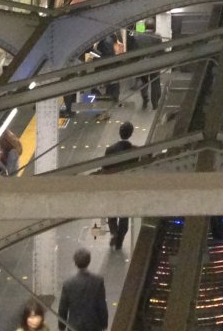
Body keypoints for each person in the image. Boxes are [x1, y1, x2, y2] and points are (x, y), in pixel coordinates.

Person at [57, 247, 110, 331]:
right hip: (94, 325)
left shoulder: (68, 283)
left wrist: (61, 327)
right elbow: (101, 305)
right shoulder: (98, 281)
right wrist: (104, 324)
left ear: (75, 262)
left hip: (74, 326)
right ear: (89, 261)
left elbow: (63, 308)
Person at [104, 121, 135, 249]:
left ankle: (114, 232)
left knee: (112, 213)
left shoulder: (110, 150)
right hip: (126, 189)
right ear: (131, 133)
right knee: (124, 216)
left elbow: (105, 168)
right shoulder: (135, 151)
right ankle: (120, 241)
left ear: (119, 132)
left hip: (112, 186)